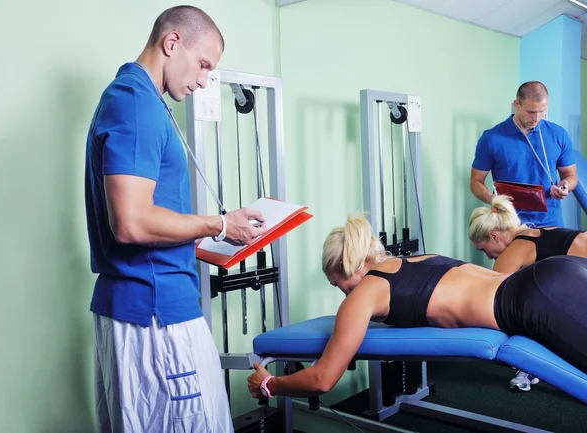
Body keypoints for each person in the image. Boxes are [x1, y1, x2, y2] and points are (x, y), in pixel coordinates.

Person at [84, 6, 267, 433]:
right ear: (172, 43)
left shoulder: (139, 101)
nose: (205, 79)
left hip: (151, 305)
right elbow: (130, 223)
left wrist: (212, 238)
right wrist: (218, 225)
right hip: (154, 314)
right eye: (203, 64)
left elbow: (146, 217)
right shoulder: (134, 104)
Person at [246, 215, 587, 401]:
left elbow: (322, 380)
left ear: (347, 269)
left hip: (536, 299)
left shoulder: (363, 295)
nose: (342, 294)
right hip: (555, 272)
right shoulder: (417, 258)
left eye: (338, 284)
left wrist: (270, 383)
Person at [470, 81, 577, 228]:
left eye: (542, 111)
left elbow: (570, 176)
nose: (537, 118)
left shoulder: (559, 135)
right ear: (517, 104)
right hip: (510, 223)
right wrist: (493, 199)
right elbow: (476, 182)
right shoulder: (492, 139)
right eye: (531, 112)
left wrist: (565, 186)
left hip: (551, 221)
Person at [469, 194, 587, 273]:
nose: (489, 257)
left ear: (494, 236)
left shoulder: (517, 248)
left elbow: (493, 295)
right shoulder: (540, 231)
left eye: (483, 249)